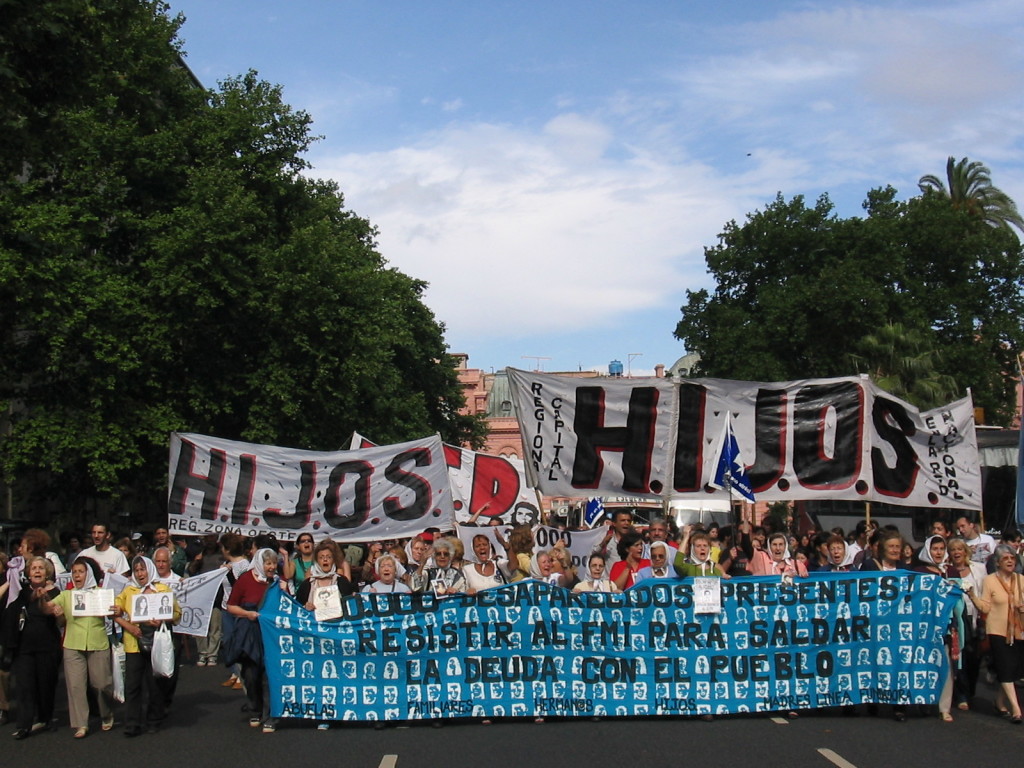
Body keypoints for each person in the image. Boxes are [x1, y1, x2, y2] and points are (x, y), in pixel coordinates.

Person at [45, 556, 115, 738]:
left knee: (101, 685)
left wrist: (116, 610)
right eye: (74, 572)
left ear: (88, 574)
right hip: (73, 645)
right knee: (76, 686)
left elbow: (115, 611)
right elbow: (48, 607)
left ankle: (106, 714)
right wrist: (50, 608)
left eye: (80, 572)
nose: (77, 575)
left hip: (97, 643)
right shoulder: (67, 595)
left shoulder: (101, 593)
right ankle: (81, 724)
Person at [113, 556, 181, 736]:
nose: (140, 573)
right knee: (133, 684)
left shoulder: (162, 589)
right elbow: (114, 611)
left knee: (155, 683)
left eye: (142, 569)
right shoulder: (128, 591)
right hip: (133, 643)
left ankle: (154, 720)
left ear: (149, 570)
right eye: (136, 570)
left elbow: (177, 613)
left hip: (156, 642)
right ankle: (132, 723)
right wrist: (127, 624)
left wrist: (162, 619)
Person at [1, 556, 61, 739]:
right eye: (33, 568)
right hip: (24, 647)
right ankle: (24, 725)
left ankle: (46, 718)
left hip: (48, 645)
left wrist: (56, 611)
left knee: (46, 684)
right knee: (25, 687)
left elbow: (61, 619)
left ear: (47, 572)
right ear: (28, 572)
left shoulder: (56, 592)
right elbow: (11, 607)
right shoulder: (20, 592)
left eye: (41, 568)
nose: (37, 571)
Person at [965, 543, 1024, 723]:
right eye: (1005, 559)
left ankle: (999, 702)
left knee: (1014, 670)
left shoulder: (1021, 580)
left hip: (1018, 630)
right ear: (997, 563)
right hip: (997, 631)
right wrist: (973, 596)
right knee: (1005, 668)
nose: (1009, 561)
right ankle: (1016, 709)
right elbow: (986, 607)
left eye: (1012, 558)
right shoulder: (989, 580)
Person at [226, 548, 279, 732]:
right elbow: (231, 606)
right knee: (251, 674)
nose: (271, 567)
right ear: (260, 564)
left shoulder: (278, 583)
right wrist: (247, 614)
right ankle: (254, 709)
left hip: (270, 635)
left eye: (273, 563)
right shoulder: (246, 579)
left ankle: (270, 715)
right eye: (268, 563)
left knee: (268, 675)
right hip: (250, 632)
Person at [913, 535, 957, 721]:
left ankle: (944, 707)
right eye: (934, 549)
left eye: (941, 549)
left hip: (946, 624)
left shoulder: (951, 571)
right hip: (925, 625)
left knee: (946, 665)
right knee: (925, 663)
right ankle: (924, 701)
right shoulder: (919, 571)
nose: (938, 553)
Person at [947, 536, 987, 710]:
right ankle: (961, 695)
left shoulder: (978, 569)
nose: (957, 553)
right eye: (953, 550)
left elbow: (984, 593)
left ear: (965, 551)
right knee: (959, 656)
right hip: (956, 618)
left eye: (959, 549)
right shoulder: (947, 571)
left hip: (974, 617)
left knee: (973, 658)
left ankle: (969, 690)